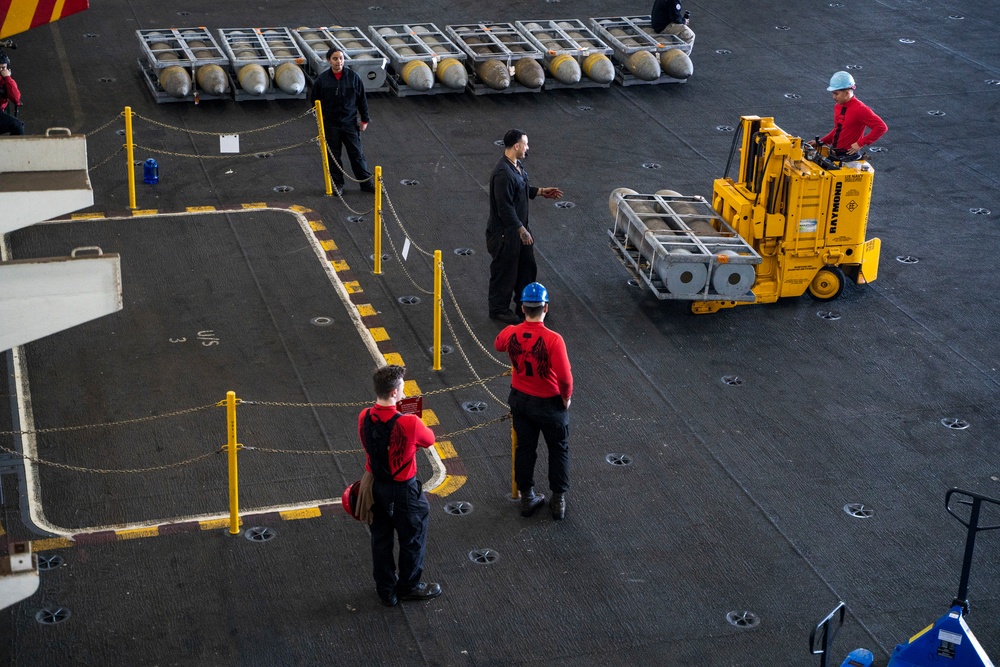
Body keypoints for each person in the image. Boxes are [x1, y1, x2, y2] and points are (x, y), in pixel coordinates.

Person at [357, 364, 442, 607]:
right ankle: (409, 586)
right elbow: (430, 440)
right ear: (394, 392)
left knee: (381, 539)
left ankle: (386, 591)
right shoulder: (409, 423)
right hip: (404, 490)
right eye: (402, 388)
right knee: (412, 538)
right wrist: (412, 420)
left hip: (374, 487)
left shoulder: (364, 416)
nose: (404, 392)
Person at [494, 282, 573, 520]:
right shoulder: (553, 339)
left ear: (522, 308)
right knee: (558, 448)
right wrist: (566, 399)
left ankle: (527, 496)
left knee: (525, 448)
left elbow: (498, 344)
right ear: (545, 308)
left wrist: (513, 330)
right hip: (549, 404)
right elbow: (565, 378)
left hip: (520, 400)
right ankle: (557, 500)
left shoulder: (512, 332)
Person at [486, 129, 563, 325]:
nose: (528, 148)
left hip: (519, 231)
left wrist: (540, 191)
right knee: (505, 272)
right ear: (516, 146)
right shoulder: (503, 174)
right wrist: (522, 230)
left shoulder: (516, 166)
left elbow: (521, 189)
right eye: (525, 144)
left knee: (527, 268)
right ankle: (498, 310)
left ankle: (525, 304)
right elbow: (505, 208)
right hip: (506, 234)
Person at [309, 47, 374, 196]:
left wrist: (365, 120)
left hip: (350, 123)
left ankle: (366, 184)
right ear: (329, 60)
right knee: (333, 155)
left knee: (357, 154)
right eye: (335, 58)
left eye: (341, 58)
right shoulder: (322, 80)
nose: (339, 61)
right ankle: (338, 184)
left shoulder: (354, 77)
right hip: (331, 125)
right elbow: (315, 101)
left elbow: (362, 100)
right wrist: (321, 117)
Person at [815, 71, 887, 156]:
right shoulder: (838, 106)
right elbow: (838, 129)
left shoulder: (860, 109)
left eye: (836, 94)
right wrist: (821, 142)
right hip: (835, 154)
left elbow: (881, 127)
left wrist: (861, 143)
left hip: (849, 156)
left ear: (846, 93)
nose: (834, 97)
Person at [0, 52, 25, 135]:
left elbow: (16, 99)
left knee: (18, 126)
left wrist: (7, 78)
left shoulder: (7, 80)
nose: (1, 71)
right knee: (17, 125)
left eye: (3, 68)